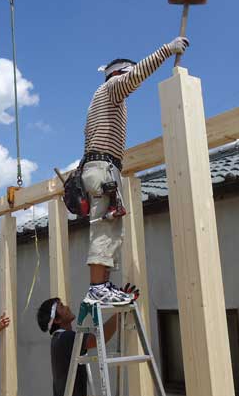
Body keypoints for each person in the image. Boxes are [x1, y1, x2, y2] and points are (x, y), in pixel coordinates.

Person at [81, 36, 190, 305]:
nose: (133, 82)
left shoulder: (103, 102)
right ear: (117, 74)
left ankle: (103, 285)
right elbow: (136, 75)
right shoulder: (111, 88)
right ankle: (97, 288)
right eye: (128, 74)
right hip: (103, 167)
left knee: (111, 226)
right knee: (105, 227)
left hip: (102, 167)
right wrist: (167, 50)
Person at [35, 289, 138, 396]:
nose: (67, 307)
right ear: (57, 320)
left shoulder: (60, 339)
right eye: (62, 307)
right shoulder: (65, 338)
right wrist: (120, 310)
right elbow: (97, 339)